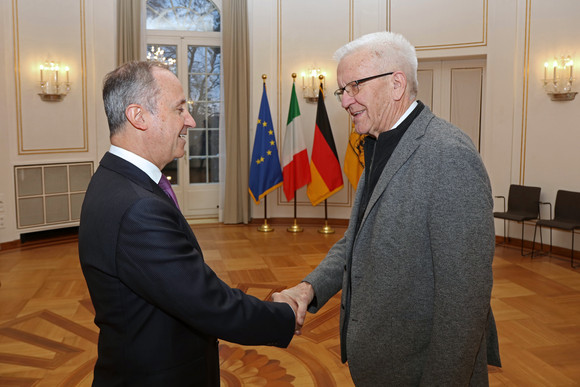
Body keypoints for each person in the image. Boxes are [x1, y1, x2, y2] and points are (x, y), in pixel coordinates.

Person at [275, 31, 501, 385]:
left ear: (396, 84)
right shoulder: (378, 143)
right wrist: (309, 289)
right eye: (342, 90)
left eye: (354, 87)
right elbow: (356, 241)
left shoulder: (448, 155)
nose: (345, 101)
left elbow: (464, 301)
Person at [78, 61, 297, 386]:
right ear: (138, 116)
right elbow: (208, 303)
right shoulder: (138, 206)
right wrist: (286, 314)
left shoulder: (114, 179)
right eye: (180, 109)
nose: (191, 121)